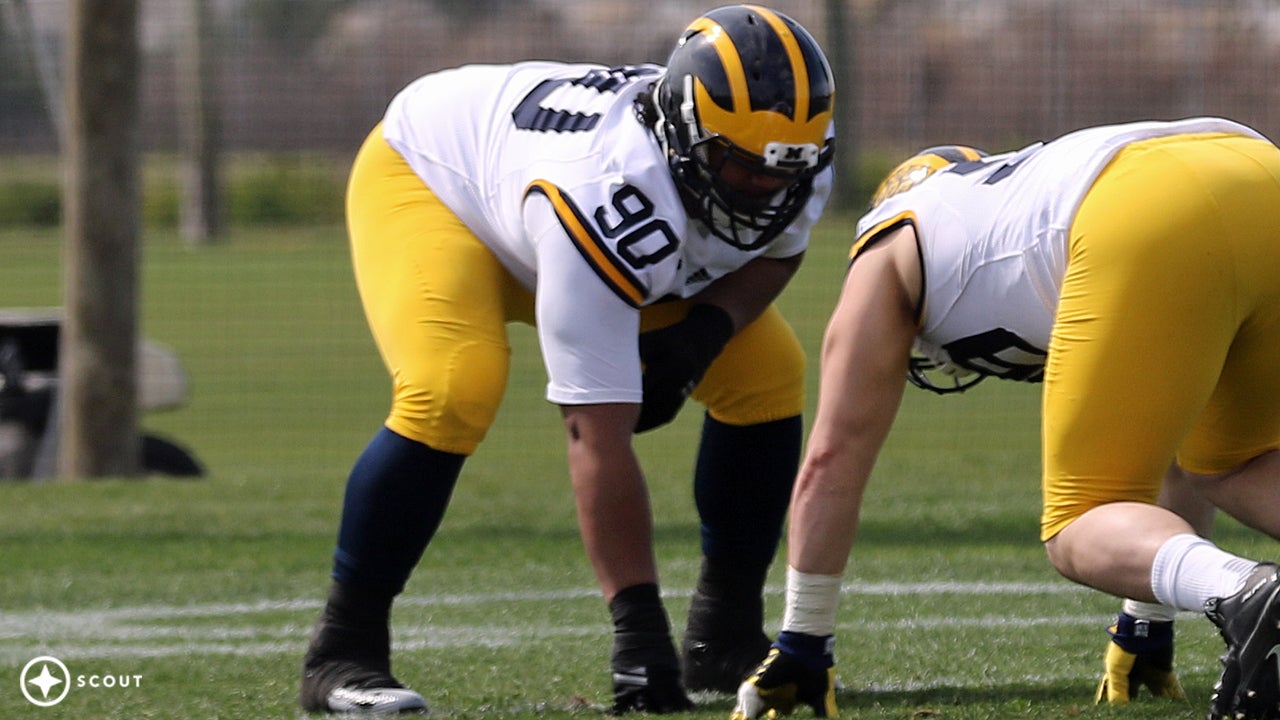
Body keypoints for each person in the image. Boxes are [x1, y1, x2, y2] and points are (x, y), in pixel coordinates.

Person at [297, 4, 837, 715]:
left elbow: (777, 251)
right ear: (684, 134)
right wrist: (639, 641)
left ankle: (725, 637)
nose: (763, 190)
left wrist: (710, 327)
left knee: (767, 376)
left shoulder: (778, 155)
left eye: (779, 173)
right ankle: (343, 649)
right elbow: (594, 434)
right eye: (738, 169)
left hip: (553, 208)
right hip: (436, 189)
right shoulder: (610, 193)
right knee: (454, 387)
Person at [727, 118, 1280, 720]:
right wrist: (1146, 627)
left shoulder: (888, 240)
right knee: (1235, 463)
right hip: (1256, 169)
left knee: (1078, 521)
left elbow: (832, 458)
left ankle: (1243, 591)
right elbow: (1171, 434)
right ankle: (1237, 592)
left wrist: (803, 639)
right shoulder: (1009, 203)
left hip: (1146, 201)